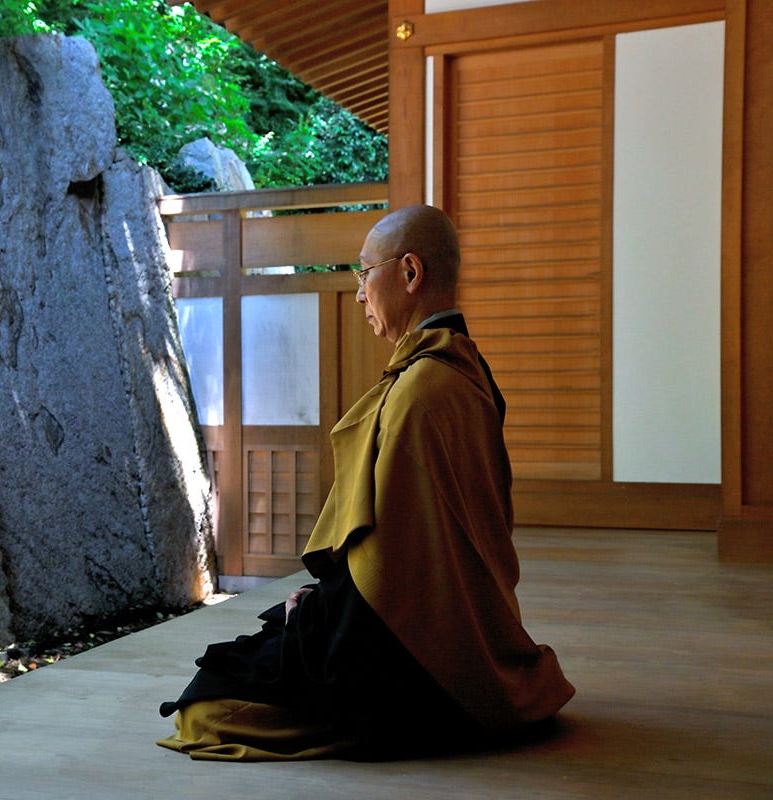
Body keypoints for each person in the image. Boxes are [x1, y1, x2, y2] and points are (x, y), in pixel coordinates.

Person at [156, 204, 575, 761]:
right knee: (268, 642)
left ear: (409, 272)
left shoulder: (419, 394)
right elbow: (420, 548)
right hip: (467, 620)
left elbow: (392, 571)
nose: (358, 294)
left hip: (410, 649)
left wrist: (314, 614)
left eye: (363, 273)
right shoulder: (468, 373)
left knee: (205, 707)